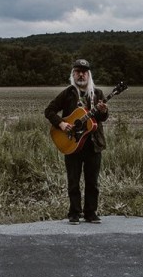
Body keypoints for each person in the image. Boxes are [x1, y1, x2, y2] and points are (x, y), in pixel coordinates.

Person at [45, 59, 109, 225]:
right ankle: (74, 213)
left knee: (92, 182)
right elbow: (49, 111)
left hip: (93, 144)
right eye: (78, 71)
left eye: (84, 72)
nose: (81, 74)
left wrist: (104, 111)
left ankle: (90, 213)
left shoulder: (98, 94)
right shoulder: (68, 93)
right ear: (73, 74)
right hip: (72, 143)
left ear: (89, 74)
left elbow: (102, 118)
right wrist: (61, 123)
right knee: (73, 181)